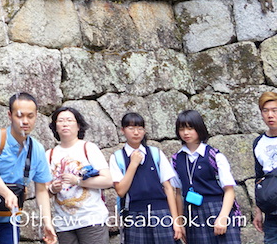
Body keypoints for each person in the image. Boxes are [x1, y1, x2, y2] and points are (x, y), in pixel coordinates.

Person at [0, 92, 57, 244]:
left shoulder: (37, 150)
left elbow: (41, 190)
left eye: (30, 116)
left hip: (9, 221)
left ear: (36, 116)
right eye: (19, 116)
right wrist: (7, 194)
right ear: (10, 115)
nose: (25, 121)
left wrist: (47, 224)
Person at [109, 112, 184, 244]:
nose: (136, 132)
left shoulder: (155, 153)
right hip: (134, 214)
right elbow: (120, 191)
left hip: (161, 212)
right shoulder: (117, 157)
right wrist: (133, 164)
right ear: (122, 130)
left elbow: (168, 188)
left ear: (144, 131)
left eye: (140, 128)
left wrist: (176, 221)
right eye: (131, 128)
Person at [46, 107, 113, 244]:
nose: (65, 124)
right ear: (55, 127)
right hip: (64, 223)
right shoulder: (49, 155)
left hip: (92, 220)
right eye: (61, 121)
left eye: (69, 120)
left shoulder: (88, 148)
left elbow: (107, 180)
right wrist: (53, 189)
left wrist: (77, 181)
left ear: (78, 126)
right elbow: (44, 192)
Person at [172, 109, 241, 244]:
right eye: (182, 129)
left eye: (190, 128)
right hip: (193, 214)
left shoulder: (214, 156)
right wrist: (180, 223)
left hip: (218, 208)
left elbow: (229, 190)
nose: (186, 133)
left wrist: (223, 217)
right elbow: (178, 194)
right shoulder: (176, 159)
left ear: (199, 128)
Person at [253, 91, 277, 244]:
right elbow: (259, 178)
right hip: (272, 210)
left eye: (275, 110)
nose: (270, 115)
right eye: (265, 111)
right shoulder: (258, 143)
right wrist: (258, 210)